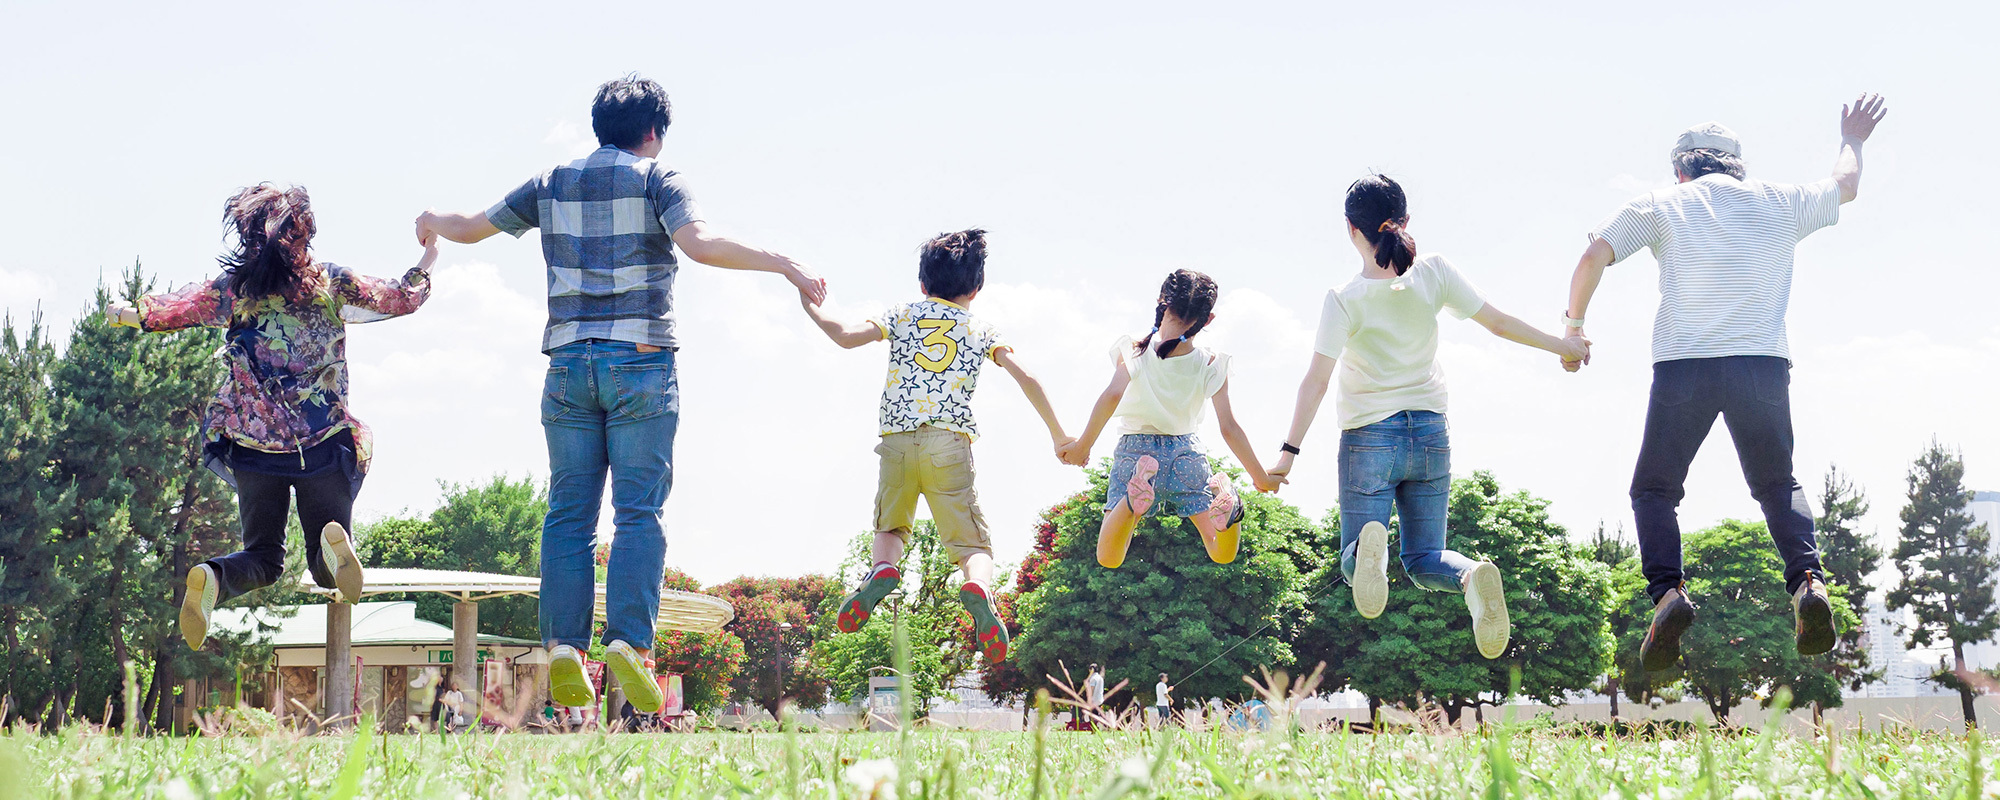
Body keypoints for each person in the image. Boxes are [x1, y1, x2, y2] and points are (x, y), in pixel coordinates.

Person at [413, 75, 826, 714]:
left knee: (569, 513)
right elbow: (700, 243)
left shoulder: (551, 181)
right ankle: (630, 644)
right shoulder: (657, 178)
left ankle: (565, 647)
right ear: (653, 132)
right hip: (640, 362)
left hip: (568, 365)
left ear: (600, 123)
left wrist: (430, 222)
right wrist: (786, 264)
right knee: (638, 513)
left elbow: (471, 226)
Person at [1564, 95, 1890, 671]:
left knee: (1655, 490)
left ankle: (1668, 595)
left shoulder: (1661, 203)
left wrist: (1574, 329)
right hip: (1761, 365)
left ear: (1681, 167)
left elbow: (1593, 255)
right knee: (1776, 484)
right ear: (1737, 166)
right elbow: (1845, 184)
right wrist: (1854, 137)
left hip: (1684, 366)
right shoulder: (1780, 202)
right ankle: (1807, 584)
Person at [1268, 175, 1589, 660]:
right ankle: (1469, 576)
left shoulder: (1344, 298)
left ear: (1349, 229)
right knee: (1424, 559)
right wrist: (1562, 344)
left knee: (1354, 561)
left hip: (1369, 438)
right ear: (1405, 220)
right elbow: (1499, 323)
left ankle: (1366, 550)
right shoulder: (1435, 271)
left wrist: (1287, 455)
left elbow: (1315, 380)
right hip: (1430, 435)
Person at [106, 184, 434, 648]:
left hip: (253, 449)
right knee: (324, 569)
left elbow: (178, 308)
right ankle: (329, 547)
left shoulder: (235, 291)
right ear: (305, 232)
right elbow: (401, 298)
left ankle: (212, 576)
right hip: (323, 444)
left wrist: (129, 314)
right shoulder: (331, 282)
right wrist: (428, 259)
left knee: (263, 557)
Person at [800, 229, 1069, 664]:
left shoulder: (903, 314)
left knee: (890, 528)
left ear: (923, 284)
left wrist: (808, 299)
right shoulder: (981, 328)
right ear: (976, 289)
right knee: (972, 546)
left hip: (897, 443)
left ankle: (884, 570)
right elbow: (1027, 376)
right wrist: (1060, 435)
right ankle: (978, 585)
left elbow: (844, 334)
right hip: (949, 443)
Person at [1057, 270, 1279, 567]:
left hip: (1137, 454)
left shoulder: (1135, 349)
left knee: (1109, 556)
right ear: (1208, 318)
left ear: (1162, 302)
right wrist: (1259, 476)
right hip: (1187, 453)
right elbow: (1229, 428)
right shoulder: (1211, 363)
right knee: (1221, 552)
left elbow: (1112, 396)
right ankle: (1229, 510)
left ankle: (1132, 500)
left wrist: (1084, 445)